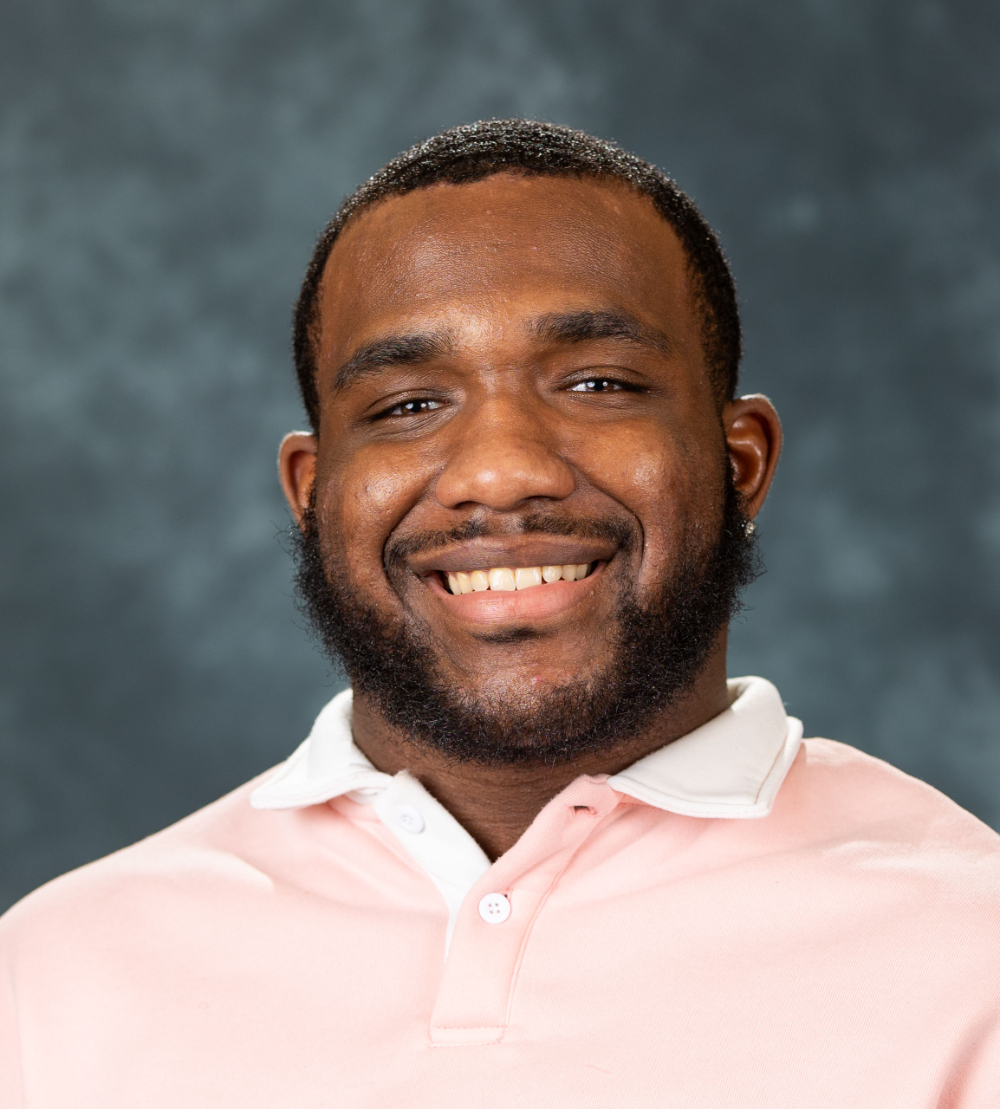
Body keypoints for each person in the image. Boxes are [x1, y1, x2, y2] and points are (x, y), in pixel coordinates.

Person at [1, 119, 998, 1107]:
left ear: (742, 463)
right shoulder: (55, 980)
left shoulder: (971, 954)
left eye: (598, 383)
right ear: (310, 490)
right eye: (407, 405)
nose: (500, 470)